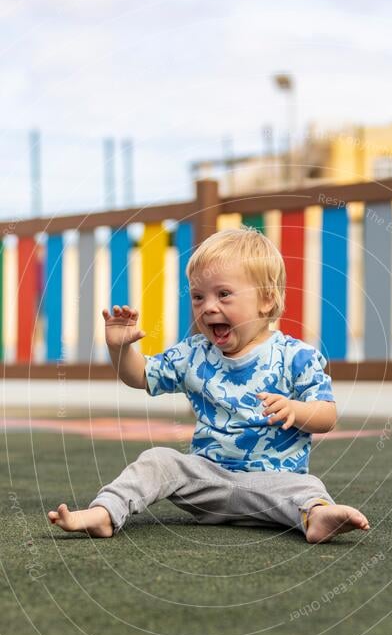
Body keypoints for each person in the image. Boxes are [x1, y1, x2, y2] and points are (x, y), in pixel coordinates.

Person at [48, 227, 369, 543]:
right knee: (158, 460)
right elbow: (141, 375)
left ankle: (316, 516)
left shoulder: (296, 356)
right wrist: (120, 349)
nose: (208, 307)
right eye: (199, 296)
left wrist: (297, 410)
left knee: (307, 488)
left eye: (224, 294)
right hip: (206, 483)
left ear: (267, 301)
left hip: (274, 486)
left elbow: (327, 415)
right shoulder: (194, 353)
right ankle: (105, 513)